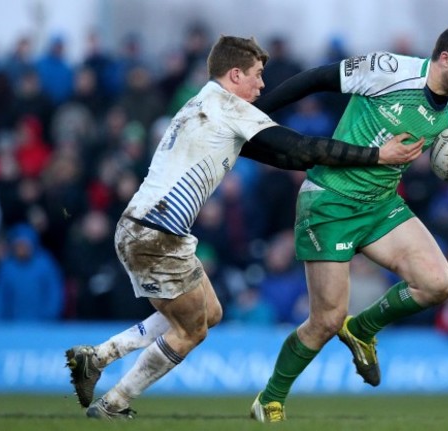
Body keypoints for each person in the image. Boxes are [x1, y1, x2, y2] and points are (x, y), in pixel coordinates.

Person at [64, 35, 420, 420]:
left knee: (210, 312)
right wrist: (375, 156)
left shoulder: (204, 102)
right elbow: (299, 147)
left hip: (152, 229)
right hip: (156, 234)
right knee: (191, 331)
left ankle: (97, 357)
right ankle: (115, 402)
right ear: (235, 74)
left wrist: (317, 166)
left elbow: (282, 155)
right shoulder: (230, 107)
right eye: (257, 75)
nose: (263, 85)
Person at [249, 22, 448, 422]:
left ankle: (362, 329)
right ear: (445, 58)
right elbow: (317, 78)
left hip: (381, 206)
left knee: (438, 284)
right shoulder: (390, 70)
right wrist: (254, 115)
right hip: (329, 203)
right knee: (325, 320)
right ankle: (270, 399)